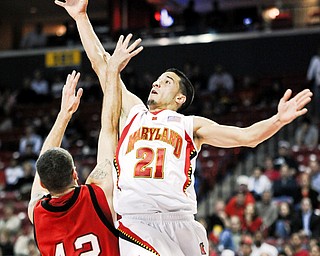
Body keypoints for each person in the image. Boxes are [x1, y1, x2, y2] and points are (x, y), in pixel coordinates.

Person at [55, 0, 313, 255]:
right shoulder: (134, 113)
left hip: (181, 221)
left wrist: (278, 120)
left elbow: (248, 137)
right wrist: (81, 18)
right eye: (156, 80)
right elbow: (103, 67)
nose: (156, 83)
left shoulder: (191, 126)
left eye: (165, 81)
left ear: (180, 98)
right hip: (136, 221)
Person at [27, 71, 118, 253]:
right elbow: (109, 129)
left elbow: (43, 163)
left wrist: (64, 115)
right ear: (74, 173)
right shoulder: (97, 195)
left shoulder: (36, 212)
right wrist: (111, 74)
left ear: (43, 183)